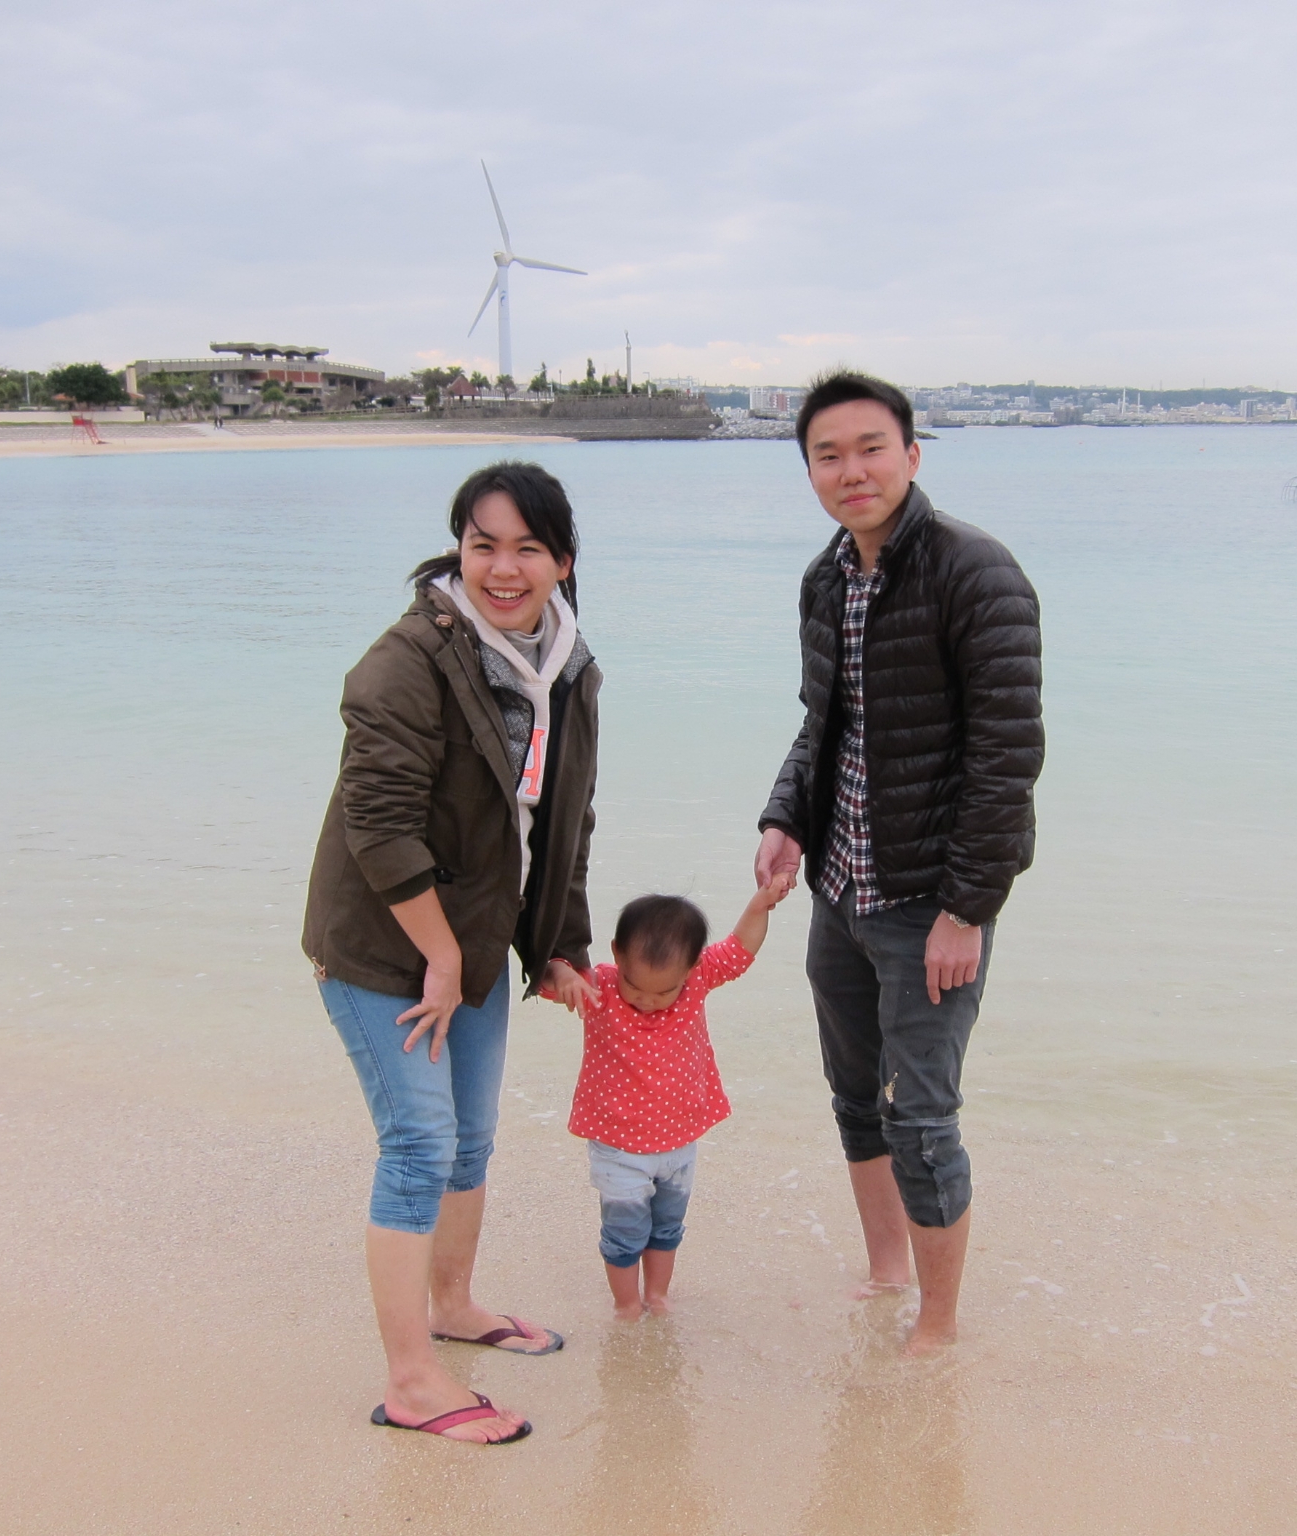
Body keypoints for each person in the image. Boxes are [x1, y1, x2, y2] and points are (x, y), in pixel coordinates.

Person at [302, 460, 601, 1445]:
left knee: (471, 1139)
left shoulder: (564, 667)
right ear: (457, 551)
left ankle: (455, 1306)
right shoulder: (407, 662)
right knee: (421, 1147)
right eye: (483, 546)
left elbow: (564, 819)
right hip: (383, 943)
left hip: (466, 940)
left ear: (562, 561)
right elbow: (378, 824)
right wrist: (436, 954)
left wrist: (556, 946)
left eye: (527, 548)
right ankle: (411, 1384)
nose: (503, 569)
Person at [753, 371, 1043, 1355]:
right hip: (839, 890)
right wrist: (786, 818)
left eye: (870, 448)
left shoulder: (976, 572)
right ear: (809, 471)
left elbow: (1007, 758)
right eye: (827, 455)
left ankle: (938, 1321)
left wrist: (966, 909)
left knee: (920, 1117)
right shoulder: (825, 578)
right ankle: (886, 1270)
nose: (852, 470)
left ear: (910, 455)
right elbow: (821, 726)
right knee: (854, 1096)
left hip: (927, 901)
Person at [544, 880, 792, 1319]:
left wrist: (760, 903)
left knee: (667, 1228)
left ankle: (657, 1295)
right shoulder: (599, 987)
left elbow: (740, 949)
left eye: (663, 993)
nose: (646, 1001)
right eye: (635, 987)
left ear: (691, 969)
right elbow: (544, 975)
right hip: (618, 1147)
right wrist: (560, 972)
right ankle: (626, 1304)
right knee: (623, 1233)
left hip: (679, 1144)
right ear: (617, 954)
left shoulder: (697, 981)